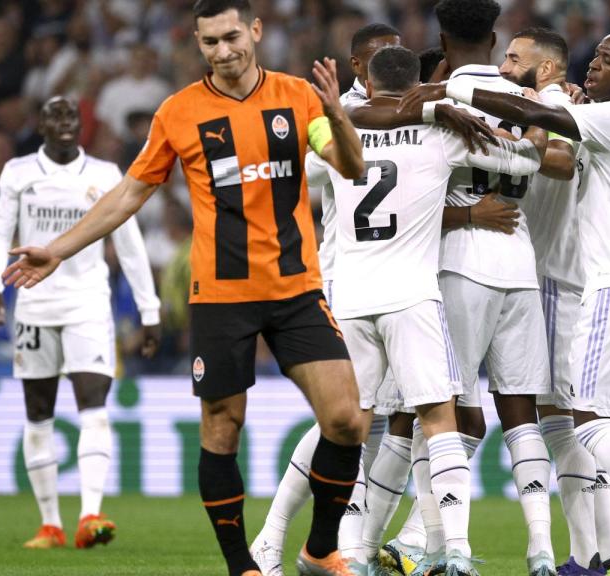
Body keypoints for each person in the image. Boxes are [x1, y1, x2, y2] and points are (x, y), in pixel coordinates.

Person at [1, 2, 370, 574]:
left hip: (297, 288)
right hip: (221, 296)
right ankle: (240, 565)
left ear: (255, 30)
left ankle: (320, 550)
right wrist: (60, 248)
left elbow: (348, 166)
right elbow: (128, 194)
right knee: (223, 427)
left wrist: (338, 114)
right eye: (209, 43)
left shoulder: (298, 97)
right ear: (197, 45)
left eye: (231, 37)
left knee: (347, 419)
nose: (223, 52)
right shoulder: (178, 113)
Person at [403, 18, 610, 576]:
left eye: (608, 58)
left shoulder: (606, 117)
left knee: (583, 422)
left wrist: (451, 90)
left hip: (598, 284)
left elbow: (548, 132)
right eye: (595, 55)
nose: (594, 63)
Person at [320, 44, 546, 576]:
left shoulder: (336, 133)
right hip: (413, 298)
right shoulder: (441, 133)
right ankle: (458, 553)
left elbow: (336, 139)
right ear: (419, 83)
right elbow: (524, 160)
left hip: (351, 299)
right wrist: (533, 126)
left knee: (349, 427)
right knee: (440, 422)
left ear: (368, 84)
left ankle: (346, 551)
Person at [249, 22, 403, 576]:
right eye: (378, 57)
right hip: (346, 279)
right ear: (357, 65)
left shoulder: (406, 107)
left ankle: (346, 546)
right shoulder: (338, 117)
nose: (390, 63)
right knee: (350, 418)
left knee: (375, 421)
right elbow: (302, 169)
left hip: (396, 283)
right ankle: (274, 535)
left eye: (396, 55)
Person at [0, 96, 162, 550]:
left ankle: (89, 516)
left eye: (71, 117)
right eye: (54, 116)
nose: (64, 123)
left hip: (88, 305)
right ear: (40, 125)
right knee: (38, 415)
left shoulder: (104, 175)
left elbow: (130, 243)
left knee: (93, 406)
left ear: (81, 126)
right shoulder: (18, 173)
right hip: (35, 305)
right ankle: (49, 525)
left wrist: (149, 308)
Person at [499, 26, 610, 574]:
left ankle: (595, 554)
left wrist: (509, 135)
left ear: (546, 69)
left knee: (564, 422)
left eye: (514, 58)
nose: (504, 66)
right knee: (560, 421)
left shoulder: (555, 106)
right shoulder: (546, 103)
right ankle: (597, 553)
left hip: (552, 275)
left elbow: (560, 161)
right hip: (548, 275)